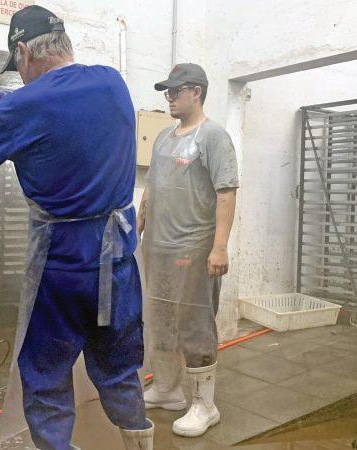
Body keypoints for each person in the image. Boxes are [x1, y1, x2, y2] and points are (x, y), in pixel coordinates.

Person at [0, 5, 154, 450]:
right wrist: (5, 115)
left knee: (46, 373)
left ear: (23, 51)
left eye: (17, 65)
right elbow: (67, 123)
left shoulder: (22, 106)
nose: (19, 75)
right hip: (118, 258)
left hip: (63, 266)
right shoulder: (111, 82)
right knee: (119, 367)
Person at [137, 63, 238, 437]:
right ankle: (167, 388)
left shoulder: (214, 137)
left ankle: (204, 405)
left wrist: (219, 248)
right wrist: (138, 225)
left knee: (194, 324)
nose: (169, 98)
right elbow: (152, 186)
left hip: (193, 250)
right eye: (167, 92)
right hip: (157, 248)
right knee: (159, 319)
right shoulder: (164, 137)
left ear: (196, 91)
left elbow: (226, 193)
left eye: (175, 91)